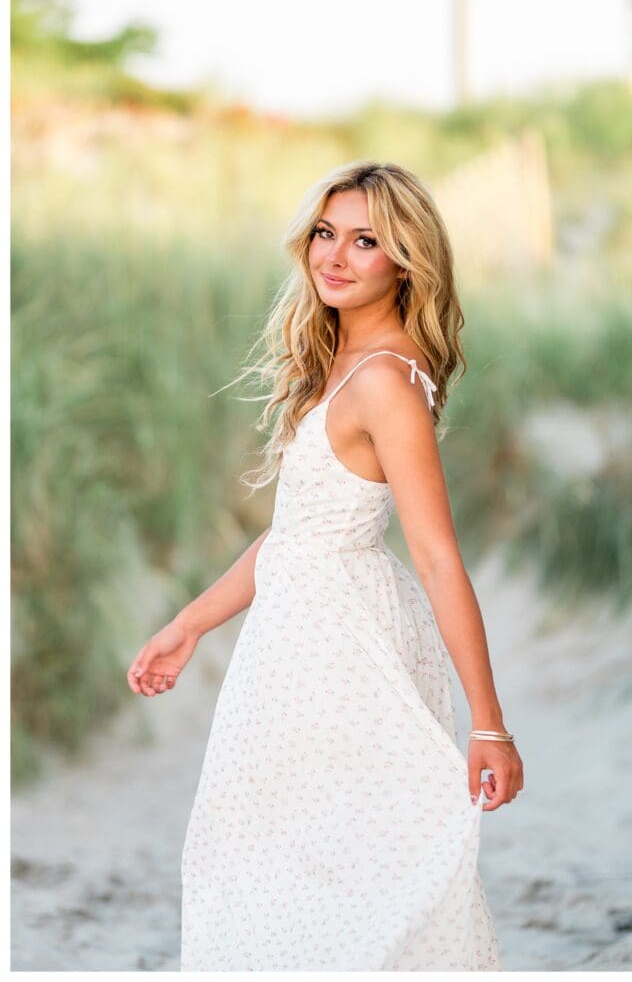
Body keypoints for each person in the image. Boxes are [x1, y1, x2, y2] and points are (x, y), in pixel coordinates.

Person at [126, 159, 523, 970]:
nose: (334, 256)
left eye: (366, 241)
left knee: (336, 862)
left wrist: (490, 725)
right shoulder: (338, 363)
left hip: (344, 647)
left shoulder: (384, 382)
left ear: (406, 259)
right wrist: (189, 624)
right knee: (275, 851)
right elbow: (296, 532)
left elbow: (440, 558)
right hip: (292, 638)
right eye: (324, 233)